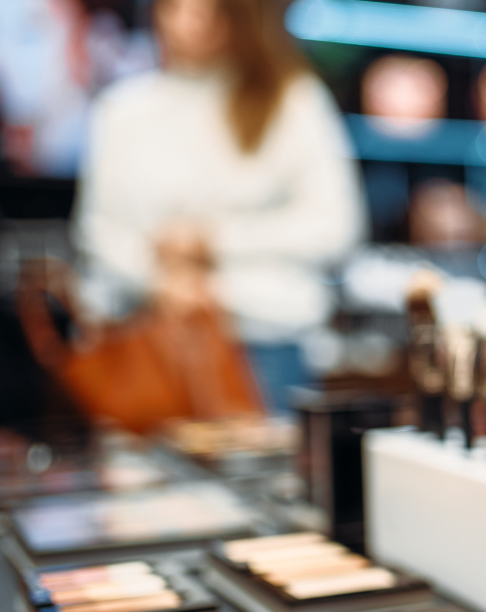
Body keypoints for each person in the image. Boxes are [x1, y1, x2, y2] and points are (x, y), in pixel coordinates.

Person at [73, 0, 363, 414]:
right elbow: (99, 231)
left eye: (209, 12)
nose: (190, 23)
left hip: (263, 345)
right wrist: (157, 283)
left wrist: (213, 241)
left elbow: (334, 227)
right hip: (147, 345)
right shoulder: (123, 112)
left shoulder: (292, 101)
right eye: (176, 8)